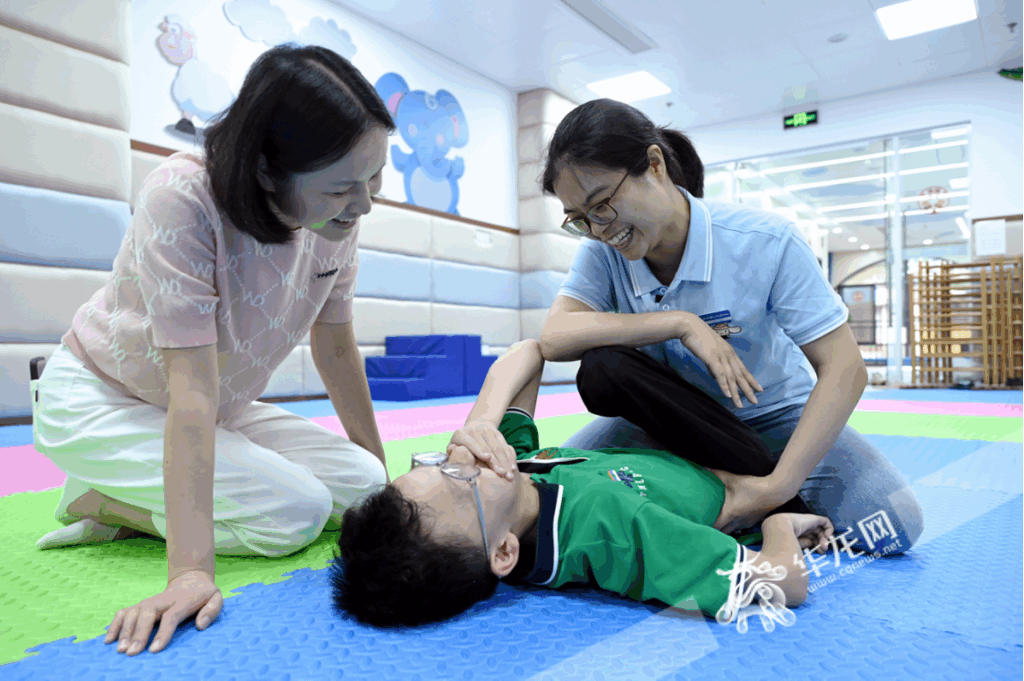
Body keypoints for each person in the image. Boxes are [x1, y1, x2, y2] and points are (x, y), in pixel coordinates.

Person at [32, 44, 395, 656]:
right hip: (103, 398)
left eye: (375, 180)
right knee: (295, 515)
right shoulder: (183, 196)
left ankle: (136, 490)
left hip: (214, 405)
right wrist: (190, 573)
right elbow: (191, 391)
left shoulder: (335, 225)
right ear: (265, 170)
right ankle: (100, 500)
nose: (361, 206)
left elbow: (334, 344)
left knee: (364, 486)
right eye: (341, 188)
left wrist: (386, 491)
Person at [536, 98, 923, 552]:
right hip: (670, 423)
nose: (600, 229)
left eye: (602, 203)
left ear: (654, 164)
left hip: (777, 418)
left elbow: (845, 367)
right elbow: (554, 337)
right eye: (580, 219)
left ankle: (747, 498)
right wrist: (680, 323)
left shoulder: (764, 241)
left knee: (894, 521)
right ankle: (733, 497)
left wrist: (778, 486)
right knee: (554, 494)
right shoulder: (603, 253)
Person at [332, 339, 836, 629]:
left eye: (436, 462)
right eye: (461, 482)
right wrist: (781, 523)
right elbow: (783, 583)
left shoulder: (516, 472)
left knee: (604, 368)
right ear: (504, 554)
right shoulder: (614, 533)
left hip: (656, 451)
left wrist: (481, 420)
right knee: (608, 367)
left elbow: (528, 353)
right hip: (735, 468)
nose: (463, 461)